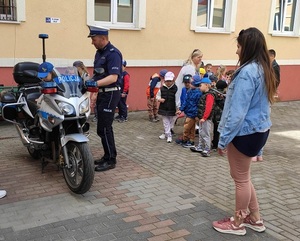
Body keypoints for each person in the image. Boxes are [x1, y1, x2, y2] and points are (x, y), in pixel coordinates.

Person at [212, 27, 277, 236]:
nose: (237, 51)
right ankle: (255, 218)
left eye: (239, 46)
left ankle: (237, 222)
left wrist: (223, 140)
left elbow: (237, 112)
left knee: (240, 179)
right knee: (244, 177)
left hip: (244, 132)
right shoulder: (262, 68)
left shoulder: (247, 72)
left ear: (247, 47)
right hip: (257, 131)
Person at [85, 26, 122, 172]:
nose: (92, 42)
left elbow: (113, 77)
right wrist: (92, 90)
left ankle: (111, 159)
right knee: (102, 128)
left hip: (111, 93)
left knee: (105, 127)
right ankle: (107, 156)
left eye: (94, 39)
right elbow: (98, 75)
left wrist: (94, 84)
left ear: (103, 38)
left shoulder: (113, 54)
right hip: (102, 93)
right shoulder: (99, 53)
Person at [190, 77, 215, 157]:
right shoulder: (204, 94)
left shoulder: (209, 95)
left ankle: (207, 149)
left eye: (201, 85)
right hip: (202, 118)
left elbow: (208, 107)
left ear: (206, 85)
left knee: (206, 133)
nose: (199, 87)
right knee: (201, 132)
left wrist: (204, 117)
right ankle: (200, 146)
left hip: (206, 119)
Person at [177, 75, 202, 148]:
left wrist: (197, 114)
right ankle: (191, 140)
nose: (189, 84)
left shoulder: (198, 93)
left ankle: (186, 139)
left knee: (187, 127)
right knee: (191, 128)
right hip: (189, 112)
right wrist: (181, 109)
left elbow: (199, 105)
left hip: (193, 113)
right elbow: (186, 101)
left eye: (190, 83)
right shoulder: (190, 91)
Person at [156, 71, 179, 143]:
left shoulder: (175, 88)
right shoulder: (162, 88)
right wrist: (159, 99)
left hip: (173, 108)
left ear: (173, 81)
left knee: (172, 121)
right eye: (167, 81)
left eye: (170, 81)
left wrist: (178, 107)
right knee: (165, 122)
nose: (168, 83)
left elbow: (178, 98)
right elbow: (157, 95)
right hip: (164, 107)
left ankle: (167, 132)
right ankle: (168, 135)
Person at [211, 80, 227, 150]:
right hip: (220, 114)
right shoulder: (221, 94)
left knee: (215, 130)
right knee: (220, 130)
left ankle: (215, 143)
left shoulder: (214, 92)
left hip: (215, 114)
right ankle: (218, 143)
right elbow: (224, 105)